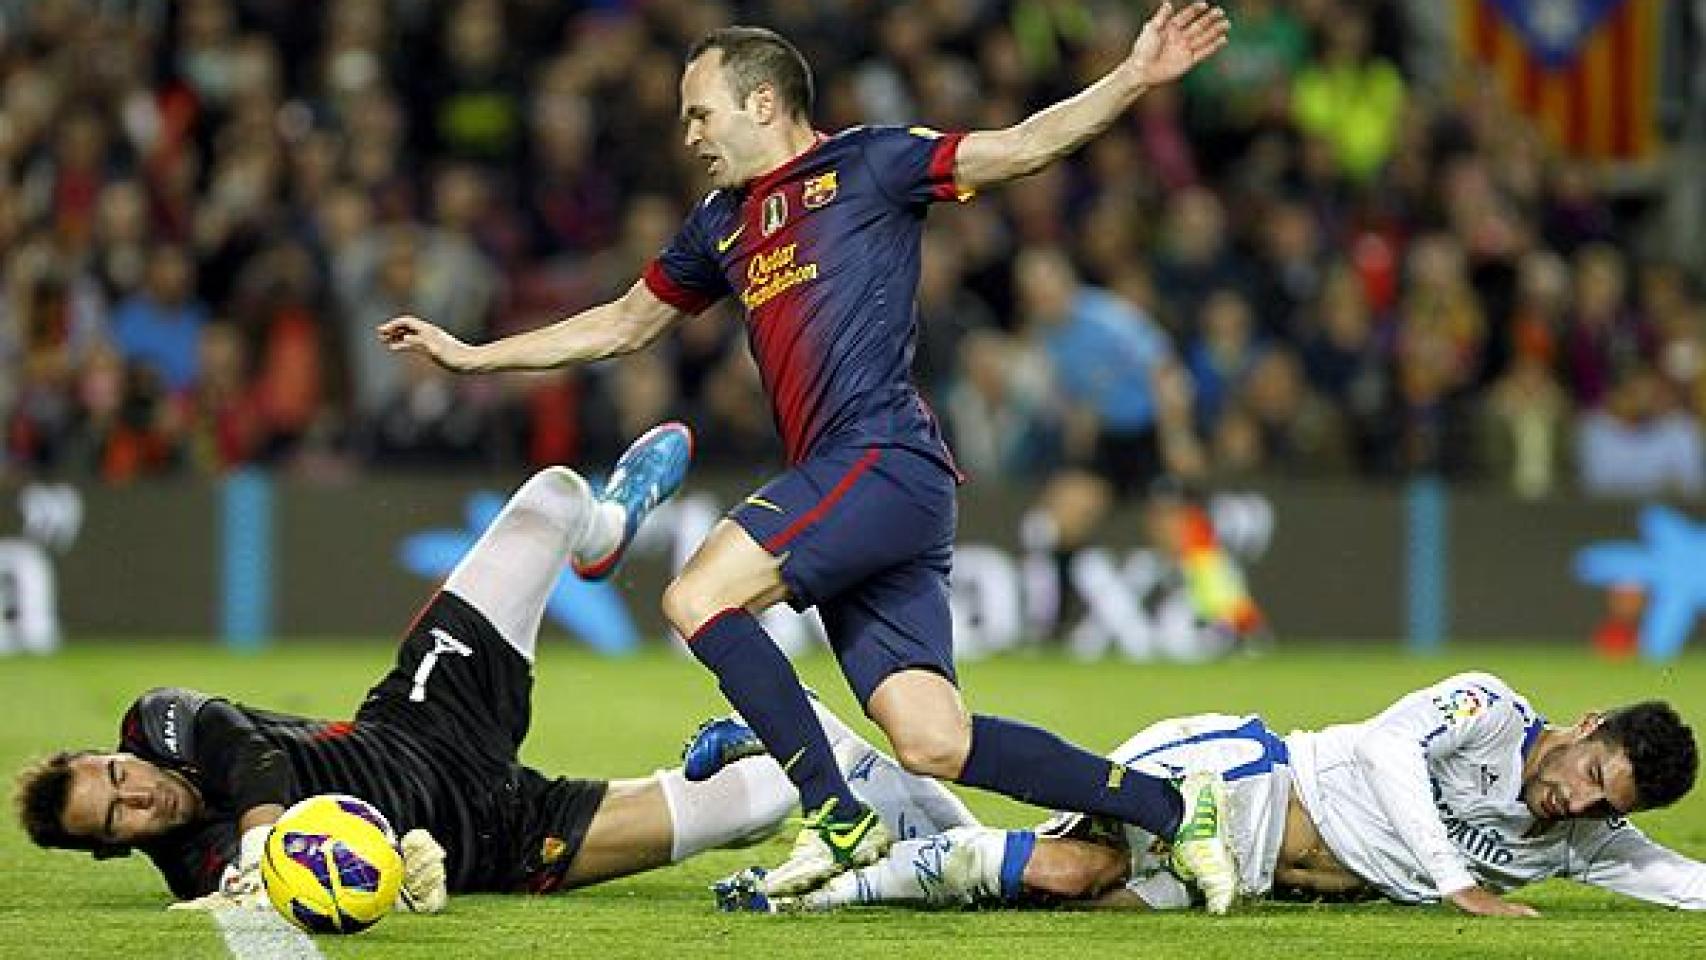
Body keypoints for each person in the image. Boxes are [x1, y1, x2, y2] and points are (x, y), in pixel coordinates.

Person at [377, 3, 1238, 909]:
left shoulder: (870, 163)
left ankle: (834, 816)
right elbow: (623, 323)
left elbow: (1018, 146)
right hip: (868, 490)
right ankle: (1177, 809)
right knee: (931, 740)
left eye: (699, 112)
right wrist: (477, 355)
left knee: (696, 594)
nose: (689, 133)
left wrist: (1133, 76)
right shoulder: (720, 224)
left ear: (760, 103)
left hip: (881, 457)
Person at [13, 427, 976, 909]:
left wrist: (270, 842)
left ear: (109, 753)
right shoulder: (198, 873)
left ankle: (604, 532)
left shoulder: (160, 725)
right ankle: (959, 853)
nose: (137, 796)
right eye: (120, 819)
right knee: (773, 794)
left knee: (553, 495)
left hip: (423, 715)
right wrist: (393, 880)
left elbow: (241, 747)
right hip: (495, 837)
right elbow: (329, 901)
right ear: (114, 847)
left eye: (116, 778)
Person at [708, 673, 1701, 917]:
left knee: (1038, 885)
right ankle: (802, 894)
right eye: (1588, 774)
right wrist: (1452, 881)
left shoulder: (1577, 841)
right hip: (1242, 779)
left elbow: (1674, 881)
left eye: (1603, 807)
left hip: (1260, 870)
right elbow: (1391, 753)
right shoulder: (1486, 709)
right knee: (1067, 864)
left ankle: (814, 739)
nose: (1575, 803)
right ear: (1582, 726)